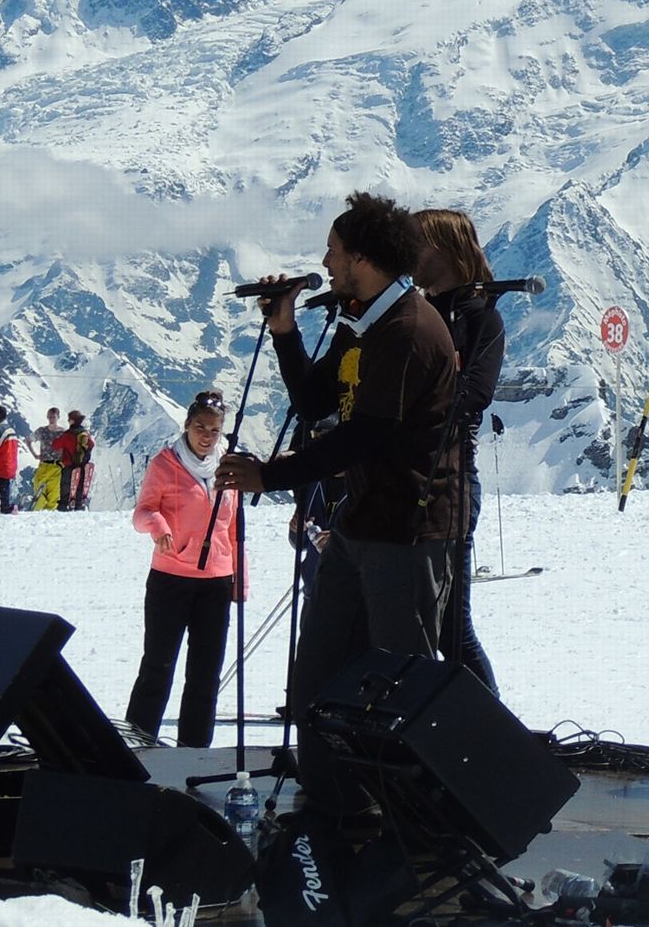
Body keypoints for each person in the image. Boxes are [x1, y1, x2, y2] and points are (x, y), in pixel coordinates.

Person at [216, 191, 458, 820]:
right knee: (318, 679)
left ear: (362, 258)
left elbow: (363, 434)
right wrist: (284, 330)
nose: (324, 261)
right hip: (361, 524)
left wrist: (271, 476)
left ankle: (410, 816)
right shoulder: (365, 324)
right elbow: (315, 404)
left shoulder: (407, 330)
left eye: (333, 251)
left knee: (398, 683)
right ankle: (331, 804)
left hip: (405, 532)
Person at [413, 207, 504, 696]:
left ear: (445, 250)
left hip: (450, 481)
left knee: (451, 627)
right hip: (410, 478)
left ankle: (493, 737)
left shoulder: (480, 316)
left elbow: (474, 397)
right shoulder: (416, 309)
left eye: (416, 244)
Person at [126, 391, 242, 747]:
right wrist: (159, 527)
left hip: (217, 581)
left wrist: (240, 580)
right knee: (158, 667)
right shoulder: (165, 464)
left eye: (214, 429)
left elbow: (235, 530)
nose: (206, 436)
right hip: (170, 578)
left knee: (205, 676)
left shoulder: (228, 466)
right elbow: (142, 512)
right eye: (200, 427)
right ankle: (138, 743)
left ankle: (194, 752)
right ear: (187, 426)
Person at [56, 410, 96, 511]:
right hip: (82, 465)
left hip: (69, 465)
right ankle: (79, 505)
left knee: (66, 485)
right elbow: (91, 444)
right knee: (79, 486)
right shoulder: (85, 434)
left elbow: (55, 445)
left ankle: (64, 505)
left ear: (72, 421)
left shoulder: (67, 435)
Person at [33, 407, 63, 511]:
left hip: (56, 466)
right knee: (38, 488)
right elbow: (28, 440)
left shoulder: (63, 433)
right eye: (50, 417)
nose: (51, 419)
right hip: (44, 464)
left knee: (53, 494)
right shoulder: (42, 431)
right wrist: (35, 454)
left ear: (58, 417)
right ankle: (38, 509)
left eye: (53, 417)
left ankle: (48, 514)